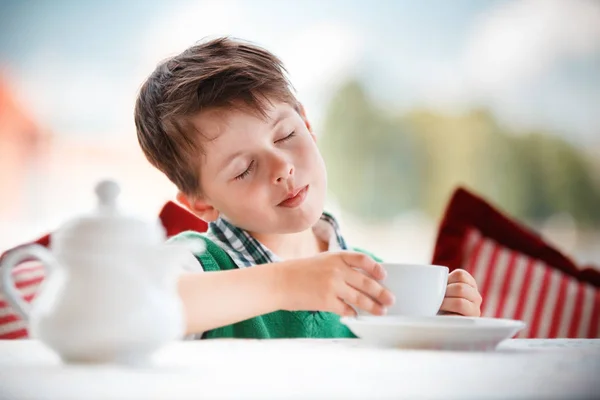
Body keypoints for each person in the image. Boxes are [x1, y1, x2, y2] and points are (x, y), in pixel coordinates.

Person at [134, 37, 482, 339]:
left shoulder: (374, 278)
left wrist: (439, 328)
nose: (282, 168)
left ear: (309, 126)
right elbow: (139, 307)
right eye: (244, 169)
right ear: (200, 203)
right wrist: (287, 284)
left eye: (286, 135)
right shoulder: (197, 264)